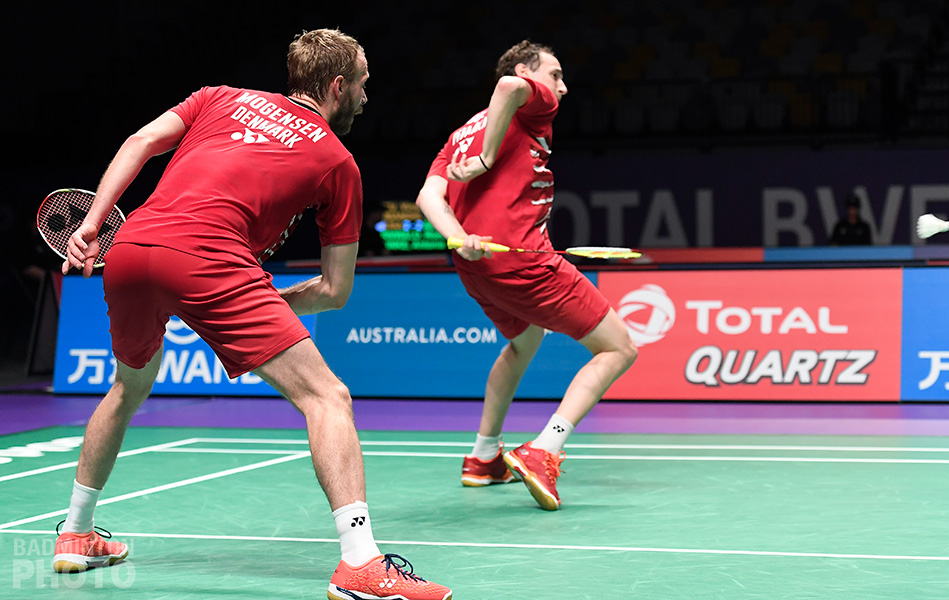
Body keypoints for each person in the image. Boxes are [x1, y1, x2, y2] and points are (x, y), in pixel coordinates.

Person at [55, 28, 450, 600]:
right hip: (212, 259)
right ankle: (361, 564)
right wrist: (264, 301)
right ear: (338, 86)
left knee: (127, 387)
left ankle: (75, 531)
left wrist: (95, 221)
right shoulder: (337, 162)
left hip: (131, 247)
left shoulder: (219, 96)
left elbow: (140, 141)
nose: (367, 96)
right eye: (364, 84)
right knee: (327, 396)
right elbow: (335, 290)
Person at [415, 41, 638, 511]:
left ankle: (483, 457)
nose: (562, 86)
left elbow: (428, 197)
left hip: (476, 264)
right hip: (524, 261)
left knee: (524, 341)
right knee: (619, 348)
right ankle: (544, 449)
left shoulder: (460, 132)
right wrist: (486, 159)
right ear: (528, 72)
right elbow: (507, 86)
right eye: (555, 74)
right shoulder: (535, 104)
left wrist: (458, 238)